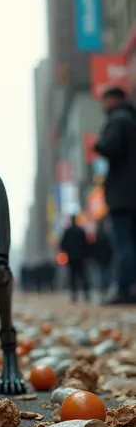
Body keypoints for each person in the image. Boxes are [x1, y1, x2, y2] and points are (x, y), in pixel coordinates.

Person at [94, 87, 136, 304]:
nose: (103, 104)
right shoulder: (131, 118)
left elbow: (109, 146)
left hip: (123, 194)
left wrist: (98, 143)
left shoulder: (118, 120)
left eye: (105, 99)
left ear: (114, 99)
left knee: (123, 243)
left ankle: (124, 290)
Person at [60, 215, 91, 303]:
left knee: (73, 276)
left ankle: (74, 295)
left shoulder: (68, 232)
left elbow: (63, 246)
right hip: (80, 257)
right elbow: (86, 244)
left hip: (71, 258)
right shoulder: (80, 231)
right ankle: (86, 294)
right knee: (83, 275)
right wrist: (87, 255)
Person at [91, 219, 114, 298]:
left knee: (100, 274)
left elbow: (93, 248)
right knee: (106, 274)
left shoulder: (97, 237)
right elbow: (110, 248)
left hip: (99, 258)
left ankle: (102, 289)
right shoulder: (106, 236)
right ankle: (105, 288)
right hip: (105, 258)